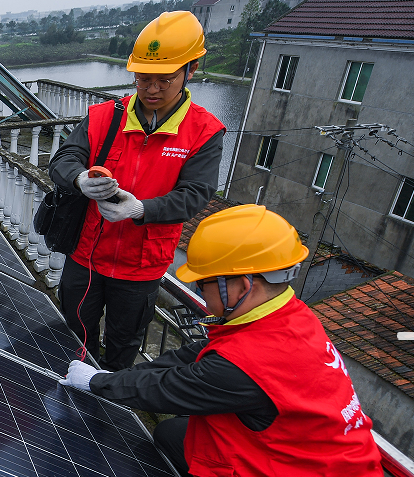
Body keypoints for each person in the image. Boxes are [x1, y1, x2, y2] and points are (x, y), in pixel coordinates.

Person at [59, 204, 383, 477]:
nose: (199, 293)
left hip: (304, 469)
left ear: (241, 286)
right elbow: (194, 355)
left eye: (203, 285)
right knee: (173, 435)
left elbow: (166, 389)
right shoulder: (286, 313)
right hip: (302, 448)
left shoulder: (249, 363)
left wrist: (98, 383)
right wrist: (115, 378)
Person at [49, 11, 226, 371]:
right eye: (143, 78)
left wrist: (140, 209)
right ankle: (71, 396)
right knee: (71, 334)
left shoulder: (204, 131)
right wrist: (81, 180)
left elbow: (195, 194)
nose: (151, 89)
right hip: (87, 255)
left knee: (123, 345)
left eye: (164, 79)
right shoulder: (104, 116)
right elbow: (64, 159)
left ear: (191, 69)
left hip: (141, 266)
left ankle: (105, 409)